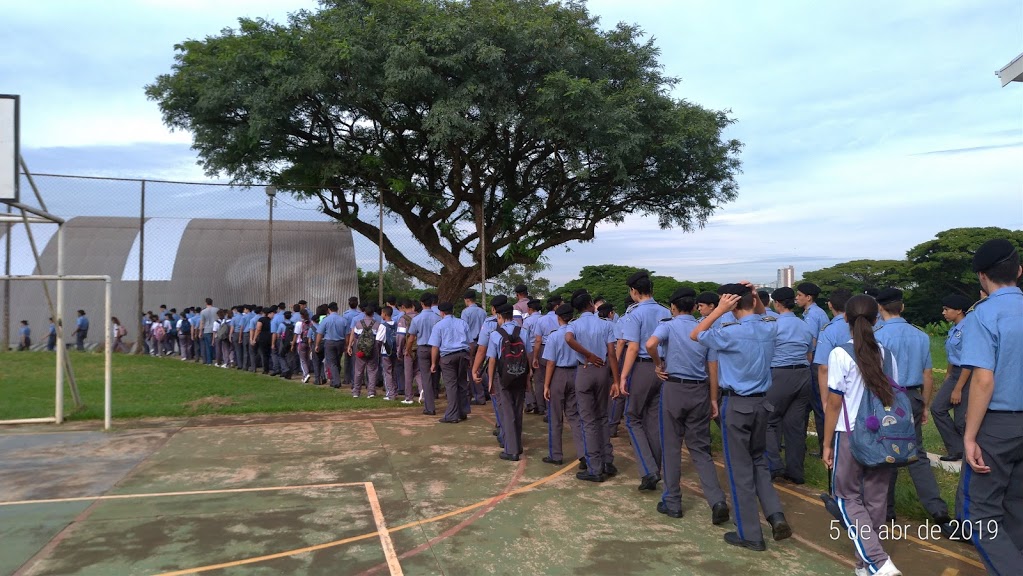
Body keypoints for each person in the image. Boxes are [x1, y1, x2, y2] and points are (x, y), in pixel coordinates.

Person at [691, 282, 791, 552]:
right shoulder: (769, 327)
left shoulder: (729, 332)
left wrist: (719, 310)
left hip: (737, 405)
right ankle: (775, 515)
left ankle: (750, 533)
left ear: (732, 304)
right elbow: (763, 316)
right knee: (758, 461)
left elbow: (696, 333)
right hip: (762, 404)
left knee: (739, 470)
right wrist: (754, 298)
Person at [822, 294, 903, 576]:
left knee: (846, 497)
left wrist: (826, 443)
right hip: (882, 435)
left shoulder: (840, 354)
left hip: (849, 434)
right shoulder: (887, 354)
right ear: (876, 319)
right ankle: (865, 564)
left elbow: (834, 403)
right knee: (876, 499)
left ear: (845, 317)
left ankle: (878, 561)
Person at [957, 239, 1023, 574]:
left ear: (982, 277)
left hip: (999, 426)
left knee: (979, 516)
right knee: (1016, 508)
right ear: (1019, 271)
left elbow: (983, 380)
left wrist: (970, 436)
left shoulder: (983, 315)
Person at [647, 287, 729, 524]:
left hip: (674, 389)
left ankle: (672, 501)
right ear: (694, 307)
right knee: (701, 449)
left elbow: (650, 344)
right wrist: (713, 399)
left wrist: (658, 364)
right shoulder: (704, 329)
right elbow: (712, 367)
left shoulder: (668, 326)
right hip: (700, 390)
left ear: (673, 307)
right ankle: (717, 501)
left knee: (672, 447)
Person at [874, 288, 953, 531]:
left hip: (887, 398)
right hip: (913, 397)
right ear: (902, 307)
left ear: (880, 308)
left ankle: (885, 510)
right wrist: (925, 404)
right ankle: (938, 510)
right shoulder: (920, 335)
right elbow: (927, 374)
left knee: (886, 453)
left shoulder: (877, 336)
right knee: (916, 454)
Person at [619, 271, 672, 491]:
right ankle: (655, 468)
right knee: (653, 420)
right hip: (663, 367)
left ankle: (649, 470)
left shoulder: (634, 313)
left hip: (643, 366)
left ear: (634, 291)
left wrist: (623, 376)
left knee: (632, 417)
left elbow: (632, 347)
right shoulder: (666, 311)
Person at [566, 292, 620, 482]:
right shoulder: (605, 324)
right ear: (590, 304)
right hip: (602, 370)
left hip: (585, 369)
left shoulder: (574, 325)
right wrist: (616, 380)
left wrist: (587, 355)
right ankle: (607, 461)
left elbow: (569, 339)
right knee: (602, 416)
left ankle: (595, 467)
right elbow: (612, 354)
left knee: (588, 421)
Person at [765, 286, 815, 485]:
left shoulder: (773, 325)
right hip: (803, 374)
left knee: (767, 420)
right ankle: (796, 472)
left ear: (776, 303)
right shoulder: (804, 325)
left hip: (780, 373)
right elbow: (809, 354)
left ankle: (773, 464)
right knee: (795, 426)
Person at [486, 302, 534, 461]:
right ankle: (518, 445)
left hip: (504, 377)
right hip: (520, 374)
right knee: (518, 410)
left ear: (500, 316)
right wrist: (528, 376)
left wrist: (490, 381)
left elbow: (492, 360)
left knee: (507, 412)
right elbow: (528, 356)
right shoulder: (523, 332)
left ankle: (511, 450)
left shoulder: (495, 334)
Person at [930, 294, 974, 462]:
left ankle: (971, 452)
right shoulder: (954, 329)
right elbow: (952, 356)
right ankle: (957, 448)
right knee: (937, 408)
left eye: (946, 309)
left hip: (966, 374)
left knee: (961, 419)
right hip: (955, 373)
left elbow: (968, 361)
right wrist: (948, 377)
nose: (943, 313)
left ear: (959, 310)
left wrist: (958, 388)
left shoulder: (968, 329)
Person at [541, 304, 585, 468]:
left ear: (558, 318)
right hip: (576, 372)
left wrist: (546, 385)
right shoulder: (577, 334)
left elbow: (550, 363)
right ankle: (583, 454)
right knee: (574, 416)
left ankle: (556, 454)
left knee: (555, 416)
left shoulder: (554, 336)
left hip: (558, 375)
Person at [796, 282, 828, 449]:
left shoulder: (812, 315)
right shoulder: (816, 312)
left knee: (818, 406)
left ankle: (824, 447)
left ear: (808, 297)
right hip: (819, 361)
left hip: (815, 362)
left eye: (799, 295)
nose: (797, 298)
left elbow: (812, 341)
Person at [430, 302, 471, 422]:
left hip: (447, 357)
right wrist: (470, 358)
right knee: (462, 383)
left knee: (451, 385)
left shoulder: (438, 326)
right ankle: (463, 411)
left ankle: (452, 415)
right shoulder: (462, 323)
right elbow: (470, 342)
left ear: (441, 313)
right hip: (463, 354)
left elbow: (435, 346)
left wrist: (433, 363)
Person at [407, 293, 442, 415]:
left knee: (425, 377)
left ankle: (429, 407)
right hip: (436, 348)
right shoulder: (438, 318)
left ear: (421, 303)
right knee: (435, 375)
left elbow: (411, 338)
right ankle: (434, 396)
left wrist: (408, 350)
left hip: (422, 348)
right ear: (432, 303)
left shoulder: (417, 319)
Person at [461, 290, 487, 404]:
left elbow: (463, 329)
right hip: (482, 342)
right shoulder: (483, 312)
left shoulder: (465, 312)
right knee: (480, 368)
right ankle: (484, 392)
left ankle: (478, 396)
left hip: (471, 343)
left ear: (467, 300)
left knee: (472, 369)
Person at [522, 299, 546, 414]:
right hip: (544, 348)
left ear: (530, 309)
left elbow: (524, 337)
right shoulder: (544, 319)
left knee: (528, 377)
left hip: (531, 349)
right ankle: (542, 405)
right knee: (541, 378)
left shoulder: (527, 321)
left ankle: (532, 403)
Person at [397, 299, 421, 404]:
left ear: (403, 307)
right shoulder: (420, 317)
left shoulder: (403, 319)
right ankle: (422, 390)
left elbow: (401, 337)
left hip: (408, 349)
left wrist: (399, 350)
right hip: (420, 347)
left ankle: (409, 397)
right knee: (419, 372)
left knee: (408, 373)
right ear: (413, 306)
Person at [198, 298, 219, 365]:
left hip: (207, 330)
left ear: (206, 303)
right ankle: (217, 360)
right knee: (217, 346)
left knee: (208, 347)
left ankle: (209, 361)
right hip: (216, 329)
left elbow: (202, 322)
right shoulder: (217, 310)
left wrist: (200, 332)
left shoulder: (203, 311)